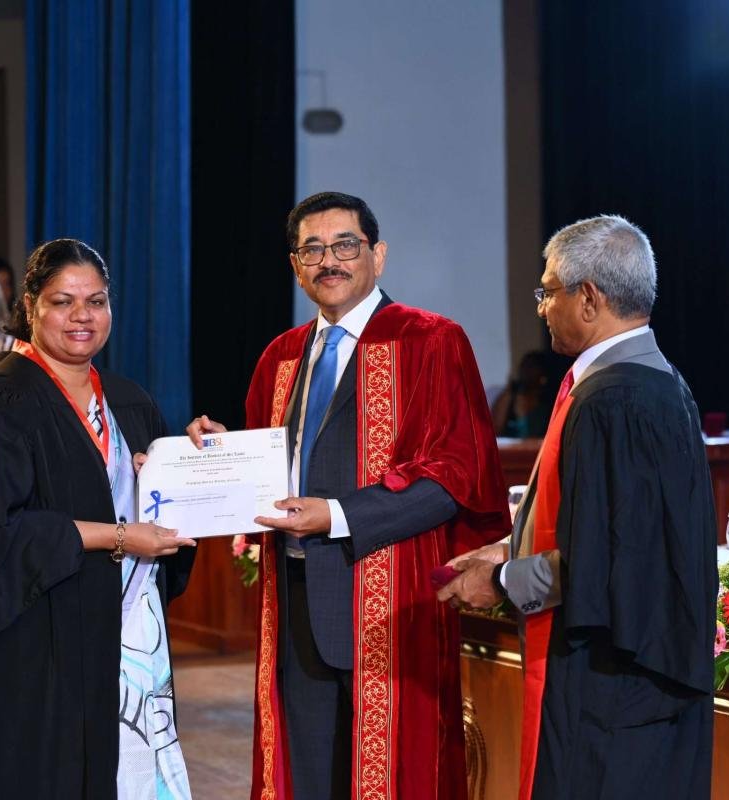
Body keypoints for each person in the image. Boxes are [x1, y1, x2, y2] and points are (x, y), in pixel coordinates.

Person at [187, 191, 509, 799]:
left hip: (390, 600)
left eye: (344, 245)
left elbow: (455, 473)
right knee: (306, 776)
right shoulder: (280, 357)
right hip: (295, 603)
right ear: (295, 266)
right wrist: (214, 456)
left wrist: (337, 515)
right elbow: (267, 469)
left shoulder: (429, 341)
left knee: (392, 776)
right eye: (312, 249)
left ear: (377, 256)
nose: (328, 260)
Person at [0, 239, 197, 799]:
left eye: (96, 301)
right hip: (30, 645)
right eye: (64, 301)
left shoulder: (129, 401)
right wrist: (118, 536)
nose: (83, 316)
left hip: (123, 635)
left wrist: (194, 464)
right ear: (31, 306)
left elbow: (169, 519)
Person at [438, 215, 717, 799]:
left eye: (548, 292)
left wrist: (502, 580)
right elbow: (611, 526)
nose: (542, 308)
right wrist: (510, 547)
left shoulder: (615, 400)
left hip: (615, 683)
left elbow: (607, 563)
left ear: (588, 298)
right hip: (640, 679)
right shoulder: (653, 382)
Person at [491, 350, 559, 438]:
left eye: (531, 366)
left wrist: (521, 416)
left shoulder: (547, 406)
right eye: (524, 365)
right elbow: (495, 430)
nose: (525, 370)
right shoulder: (510, 395)